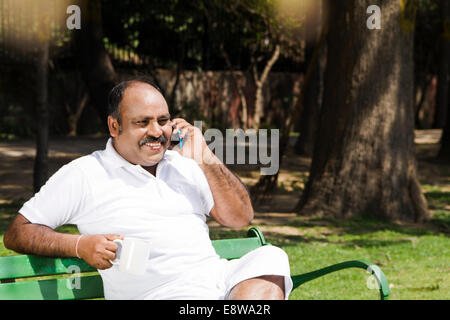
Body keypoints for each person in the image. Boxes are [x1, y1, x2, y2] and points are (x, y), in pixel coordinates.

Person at [4, 77, 292, 300]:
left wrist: (206, 157)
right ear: (114, 126)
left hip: (217, 282)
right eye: (143, 123)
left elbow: (240, 218)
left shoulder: (186, 165)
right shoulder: (85, 174)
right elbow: (19, 231)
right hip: (160, 293)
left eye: (163, 121)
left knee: (270, 257)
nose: (157, 131)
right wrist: (80, 245)